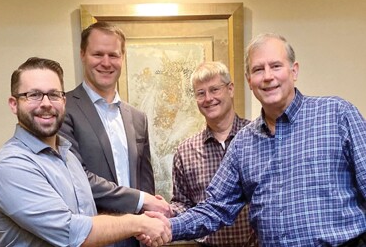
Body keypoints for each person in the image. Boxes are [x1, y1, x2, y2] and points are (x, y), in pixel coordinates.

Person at [143, 33, 366, 246]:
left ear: (294, 70)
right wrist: (169, 226)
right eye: (258, 69)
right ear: (249, 81)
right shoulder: (243, 144)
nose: (268, 76)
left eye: (276, 66)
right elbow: (215, 207)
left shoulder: (337, 115)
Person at [0, 57, 171, 247]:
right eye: (34, 95)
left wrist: (142, 225)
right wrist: (137, 223)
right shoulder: (10, 166)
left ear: (64, 101)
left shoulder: (68, 155)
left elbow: (87, 218)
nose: (46, 103)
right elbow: (73, 232)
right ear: (14, 104)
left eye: (54, 94)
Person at [59, 22, 171, 246]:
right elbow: (77, 179)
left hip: (136, 239)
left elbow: (145, 181)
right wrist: (142, 201)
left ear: (123, 57)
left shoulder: (138, 118)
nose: (106, 62)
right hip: (92, 237)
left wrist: (150, 221)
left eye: (113, 55)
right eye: (98, 54)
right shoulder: (63, 109)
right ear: (82, 54)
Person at [170, 61, 256, 246]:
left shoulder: (257, 138)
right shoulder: (185, 152)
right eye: (201, 93)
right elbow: (182, 203)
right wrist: (167, 213)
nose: (208, 98)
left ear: (230, 89)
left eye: (215, 89)